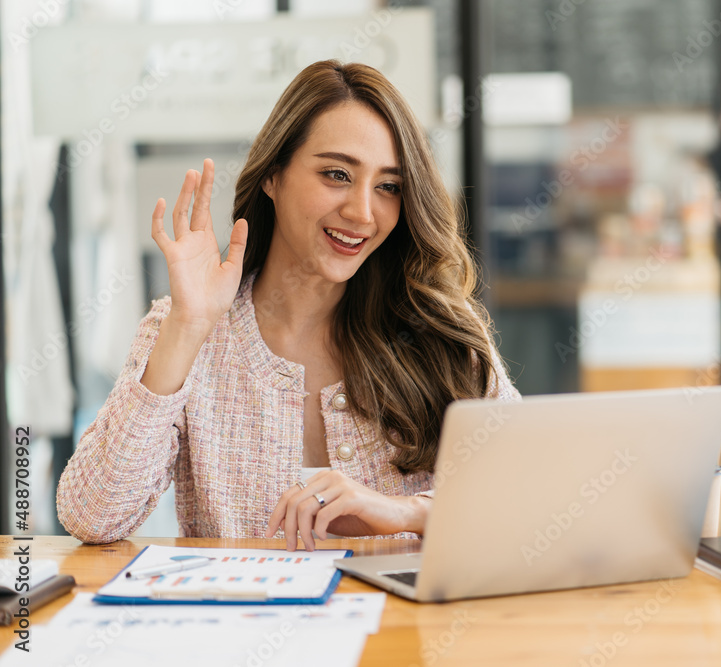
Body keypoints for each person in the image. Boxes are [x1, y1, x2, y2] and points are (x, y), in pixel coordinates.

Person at [56, 60, 519, 550]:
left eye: (388, 186)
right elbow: (93, 516)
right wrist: (188, 326)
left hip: (405, 627)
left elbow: (531, 492)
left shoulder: (436, 328)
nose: (362, 212)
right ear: (273, 176)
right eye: (337, 174)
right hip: (241, 623)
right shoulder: (184, 330)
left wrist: (407, 511)